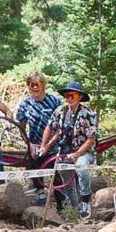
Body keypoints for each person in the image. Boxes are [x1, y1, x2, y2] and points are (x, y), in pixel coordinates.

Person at [39, 81, 99, 217]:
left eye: (72, 95)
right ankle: (74, 207)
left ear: (79, 97)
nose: (69, 98)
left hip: (83, 152)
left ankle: (85, 201)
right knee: (65, 178)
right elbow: (50, 127)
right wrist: (44, 145)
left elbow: (91, 139)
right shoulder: (60, 111)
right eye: (67, 96)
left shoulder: (88, 114)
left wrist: (77, 154)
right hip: (64, 151)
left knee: (81, 167)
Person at [8, 73, 63, 195]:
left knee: (57, 179)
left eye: (37, 84)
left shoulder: (55, 102)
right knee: (36, 178)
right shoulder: (25, 105)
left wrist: (48, 145)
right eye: (31, 85)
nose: (34, 87)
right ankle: (40, 199)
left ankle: (61, 205)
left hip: (54, 147)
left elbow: (61, 127)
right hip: (34, 148)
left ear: (43, 85)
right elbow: (21, 128)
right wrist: (30, 144)